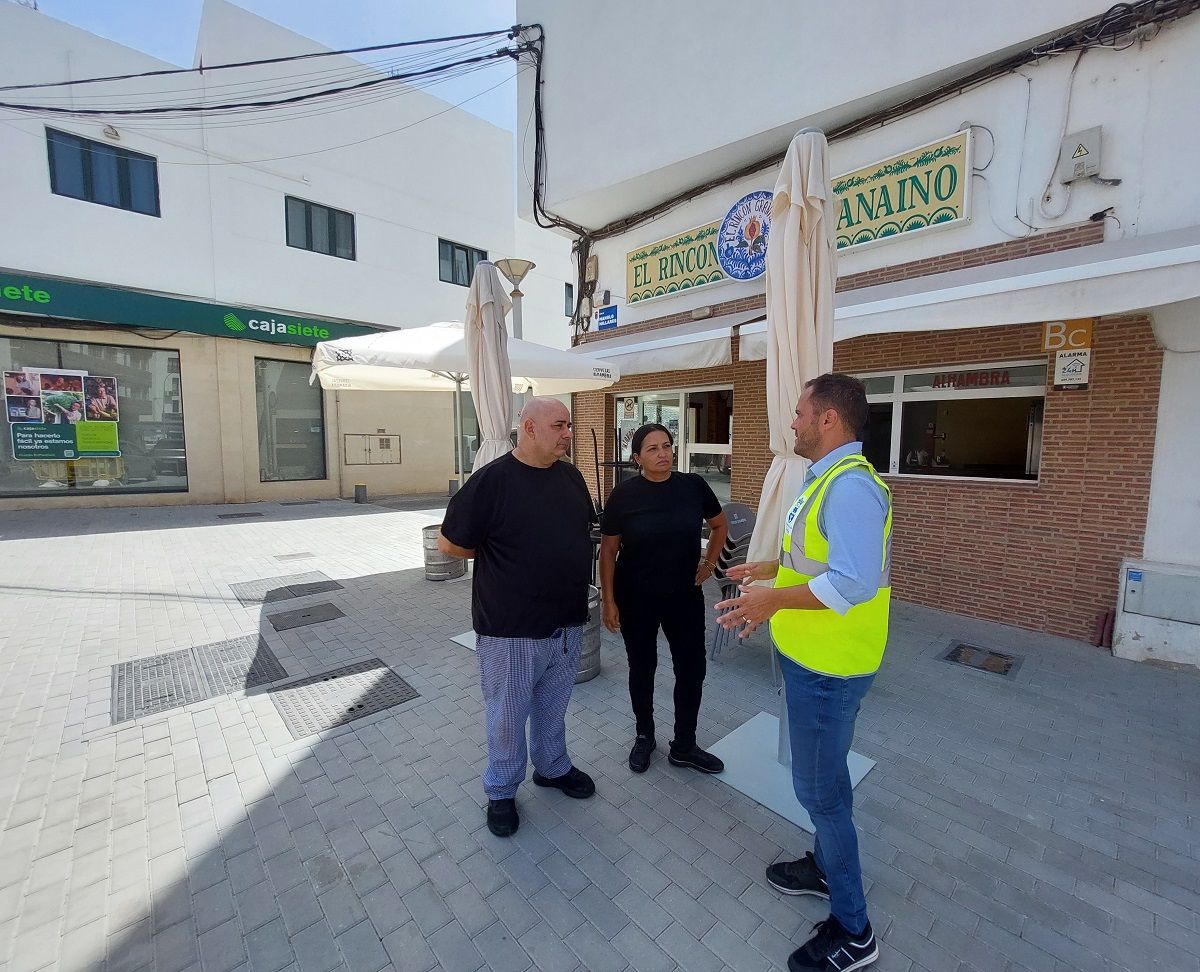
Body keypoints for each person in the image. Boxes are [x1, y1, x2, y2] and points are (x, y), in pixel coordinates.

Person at [716, 373, 892, 972]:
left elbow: (853, 580)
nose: (791, 423)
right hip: (812, 659)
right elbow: (810, 559)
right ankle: (824, 867)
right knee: (827, 783)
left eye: (798, 413)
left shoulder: (849, 489)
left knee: (819, 792)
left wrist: (771, 602)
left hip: (830, 668)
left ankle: (854, 930)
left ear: (829, 421)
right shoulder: (826, 482)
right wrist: (764, 567)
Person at [438, 397, 597, 838]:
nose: (568, 433)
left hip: (565, 621)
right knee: (508, 714)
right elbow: (449, 544)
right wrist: (498, 556)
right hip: (510, 626)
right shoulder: (492, 481)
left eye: (569, 424)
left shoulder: (571, 476)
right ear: (528, 428)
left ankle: (551, 767)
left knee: (553, 707)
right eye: (559, 425)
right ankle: (502, 791)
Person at [599, 423, 729, 774]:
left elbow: (719, 525)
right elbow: (608, 551)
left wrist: (709, 563)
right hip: (636, 596)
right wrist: (609, 601)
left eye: (667, 445)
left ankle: (684, 744)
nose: (663, 454)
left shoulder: (693, 486)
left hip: (684, 596)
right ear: (637, 457)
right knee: (642, 668)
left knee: (692, 669)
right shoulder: (624, 495)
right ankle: (644, 736)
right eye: (653, 448)